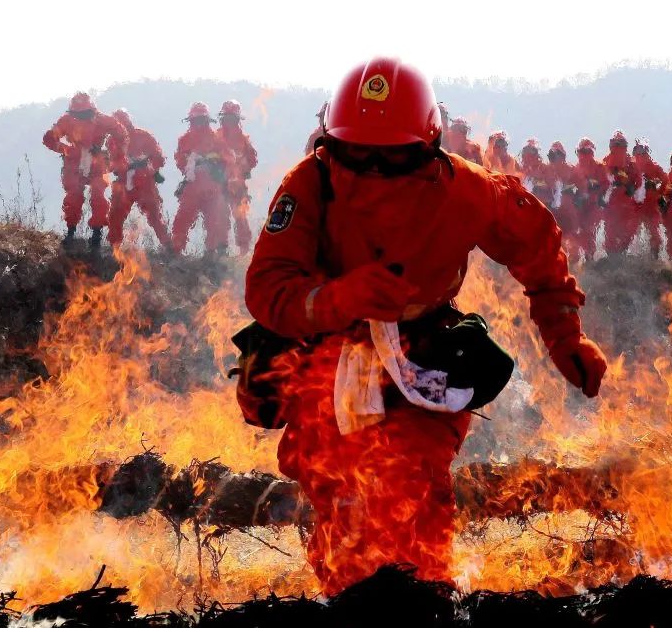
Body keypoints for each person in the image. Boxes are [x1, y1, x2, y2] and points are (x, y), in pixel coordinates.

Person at [244, 58, 607, 595]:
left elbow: (535, 243)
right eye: (357, 155)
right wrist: (340, 298)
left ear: (427, 150)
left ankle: (428, 609)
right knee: (338, 494)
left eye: (390, 158)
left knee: (415, 487)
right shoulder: (310, 185)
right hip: (323, 361)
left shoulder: (467, 190)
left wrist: (563, 333)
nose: (372, 169)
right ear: (331, 145)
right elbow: (268, 289)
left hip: (422, 359)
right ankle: (352, 622)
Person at [42, 92, 129, 248]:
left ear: (91, 110)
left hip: (97, 162)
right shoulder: (66, 121)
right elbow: (49, 139)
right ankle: (70, 233)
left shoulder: (103, 120)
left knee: (98, 195)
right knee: (73, 195)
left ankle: (96, 234)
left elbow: (121, 134)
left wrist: (114, 154)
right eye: (78, 114)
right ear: (73, 112)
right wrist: (67, 149)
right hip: (74, 163)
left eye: (84, 113)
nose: (81, 117)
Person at [171, 102, 236, 255]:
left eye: (202, 120)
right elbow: (180, 160)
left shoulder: (217, 139)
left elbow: (229, 160)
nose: (199, 124)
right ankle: (175, 252)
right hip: (192, 186)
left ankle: (215, 255)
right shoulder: (184, 140)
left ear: (207, 120)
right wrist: (190, 165)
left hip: (213, 187)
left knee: (216, 220)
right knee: (183, 219)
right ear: (192, 121)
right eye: (196, 120)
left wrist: (216, 166)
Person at [107, 109, 169, 248]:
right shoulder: (112, 141)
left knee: (154, 216)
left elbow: (159, 157)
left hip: (144, 181)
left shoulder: (143, 136)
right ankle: (114, 247)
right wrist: (119, 165)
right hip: (124, 182)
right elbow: (111, 164)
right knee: (115, 216)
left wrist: (149, 166)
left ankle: (168, 247)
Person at [217, 100, 259, 255]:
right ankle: (221, 250)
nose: (228, 122)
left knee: (240, 217)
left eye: (231, 119)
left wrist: (243, 168)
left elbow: (252, 160)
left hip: (237, 186)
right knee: (220, 216)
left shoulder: (243, 140)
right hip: (219, 184)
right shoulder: (216, 137)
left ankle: (243, 250)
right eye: (226, 118)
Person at [601, 130, 644, 255]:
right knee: (610, 229)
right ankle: (611, 257)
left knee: (628, 230)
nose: (618, 147)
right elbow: (601, 180)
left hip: (626, 201)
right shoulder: (605, 161)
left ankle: (621, 252)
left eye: (620, 144)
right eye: (616, 144)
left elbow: (639, 181)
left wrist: (633, 190)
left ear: (625, 146)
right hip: (612, 202)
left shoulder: (631, 163)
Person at [545, 140, 583, 260]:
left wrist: (578, 199)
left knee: (572, 237)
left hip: (569, 212)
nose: (554, 159)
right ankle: (559, 262)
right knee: (555, 238)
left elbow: (583, 186)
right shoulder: (546, 170)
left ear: (563, 156)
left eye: (557, 155)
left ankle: (576, 264)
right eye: (551, 156)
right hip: (553, 212)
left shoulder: (571, 169)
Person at [574, 137, 609, 261]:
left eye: (586, 152)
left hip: (593, 205)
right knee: (577, 230)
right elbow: (571, 186)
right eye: (581, 152)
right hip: (580, 205)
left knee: (589, 230)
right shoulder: (576, 168)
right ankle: (579, 257)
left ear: (592, 153)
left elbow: (605, 184)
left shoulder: (599, 167)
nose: (583, 155)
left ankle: (589, 256)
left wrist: (597, 193)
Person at [632, 138, 668, 259]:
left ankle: (654, 258)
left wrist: (658, 192)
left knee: (655, 234)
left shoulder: (654, 167)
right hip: (635, 206)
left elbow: (666, 180)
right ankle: (633, 257)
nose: (639, 153)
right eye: (637, 150)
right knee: (632, 233)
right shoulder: (631, 166)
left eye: (642, 150)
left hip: (651, 206)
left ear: (647, 152)